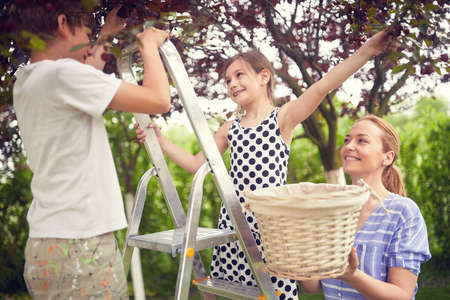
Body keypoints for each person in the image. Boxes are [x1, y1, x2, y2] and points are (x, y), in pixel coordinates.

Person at [137, 30, 395, 300]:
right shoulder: (229, 129)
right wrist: (161, 141)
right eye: (227, 80)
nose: (232, 83)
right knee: (233, 293)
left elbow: (322, 86)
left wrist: (367, 51)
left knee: (272, 294)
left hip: (271, 227)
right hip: (234, 225)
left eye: (239, 75)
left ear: (264, 77)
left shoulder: (282, 118)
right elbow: (195, 163)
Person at [13, 2, 170, 299]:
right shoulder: (64, 76)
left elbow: (74, 63)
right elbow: (159, 100)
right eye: (86, 33)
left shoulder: (27, 80)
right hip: (80, 246)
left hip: (46, 246)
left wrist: (105, 31)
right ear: (62, 23)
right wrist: (149, 45)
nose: (90, 45)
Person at [301, 115, 431, 299]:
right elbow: (314, 286)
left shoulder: (403, 213)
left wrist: (352, 276)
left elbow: (402, 295)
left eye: (361, 140)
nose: (349, 146)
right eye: (347, 140)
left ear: (387, 157)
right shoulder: (332, 209)